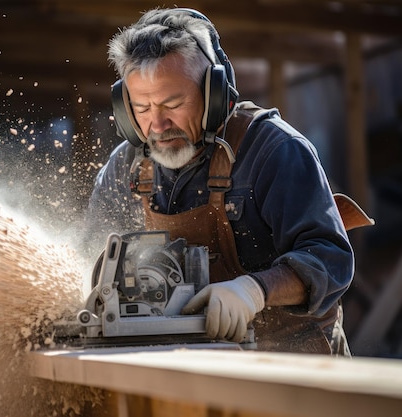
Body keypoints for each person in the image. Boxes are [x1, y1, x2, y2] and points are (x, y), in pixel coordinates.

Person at [83, 7, 371, 355]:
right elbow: (92, 257)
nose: (157, 125)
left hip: (293, 363)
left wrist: (253, 291)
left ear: (215, 95)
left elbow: (330, 259)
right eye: (142, 109)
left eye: (173, 103)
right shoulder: (126, 167)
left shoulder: (275, 152)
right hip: (183, 366)